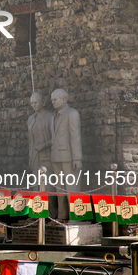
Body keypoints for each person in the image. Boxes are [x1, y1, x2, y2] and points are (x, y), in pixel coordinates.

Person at [51, 88, 83, 219]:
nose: (52, 102)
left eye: (55, 99)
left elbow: (75, 136)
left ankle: (75, 216)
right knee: (59, 189)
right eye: (51, 99)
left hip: (69, 157)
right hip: (56, 157)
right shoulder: (54, 115)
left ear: (64, 99)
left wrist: (77, 158)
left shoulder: (72, 113)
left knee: (72, 187)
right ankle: (62, 215)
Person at [27, 92, 53, 174]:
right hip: (35, 156)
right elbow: (31, 141)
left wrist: (44, 145)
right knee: (36, 182)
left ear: (43, 102)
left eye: (36, 103)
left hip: (47, 155)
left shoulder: (50, 117)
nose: (34, 105)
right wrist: (30, 157)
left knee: (47, 183)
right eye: (32, 103)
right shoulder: (31, 119)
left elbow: (56, 138)